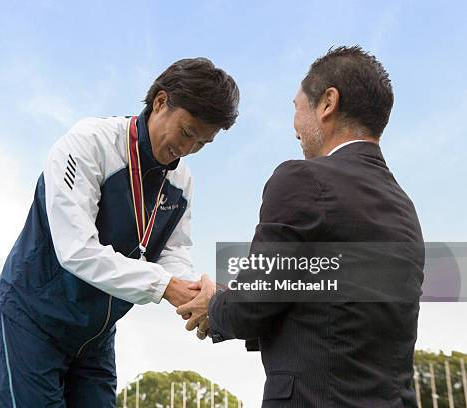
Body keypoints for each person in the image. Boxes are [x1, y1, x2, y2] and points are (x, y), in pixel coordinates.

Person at [179, 46, 424, 407]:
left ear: (327, 103)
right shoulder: (405, 209)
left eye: (297, 107)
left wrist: (214, 304)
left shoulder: (303, 179)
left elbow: (253, 304)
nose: (295, 125)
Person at [0, 57, 239, 407]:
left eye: (202, 143)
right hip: (35, 320)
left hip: (95, 335)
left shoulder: (182, 180)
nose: (187, 150)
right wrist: (165, 287)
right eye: (186, 132)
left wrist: (196, 289)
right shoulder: (88, 143)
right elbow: (76, 249)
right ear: (160, 102)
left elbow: (172, 251)